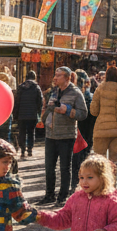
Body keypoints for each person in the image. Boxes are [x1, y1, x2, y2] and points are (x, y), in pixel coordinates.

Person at [40, 67, 88, 207]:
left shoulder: (76, 93)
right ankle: (49, 195)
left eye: (58, 75)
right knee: (49, 167)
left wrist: (67, 111)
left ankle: (62, 196)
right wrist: (45, 118)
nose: (55, 78)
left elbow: (83, 113)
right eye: (55, 75)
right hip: (51, 134)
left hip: (66, 135)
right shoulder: (54, 91)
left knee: (64, 167)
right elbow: (50, 108)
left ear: (67, 78)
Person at [89, 66, 117, 172]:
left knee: (99, 161)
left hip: (101, 129)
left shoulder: (100, 89)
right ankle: (111, 185)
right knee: (114, 161)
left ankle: (100, 185)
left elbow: (93, 111)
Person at [14, 70, 43, 159]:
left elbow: (16, 102)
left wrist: (16, 114)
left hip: (21, 115)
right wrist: (38, 111)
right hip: (32, 115)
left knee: (22, 132)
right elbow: (40, 101)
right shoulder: (36, 88)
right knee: (31, 132)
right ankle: (29, 149)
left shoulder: (21, 87)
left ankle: (22, 150)